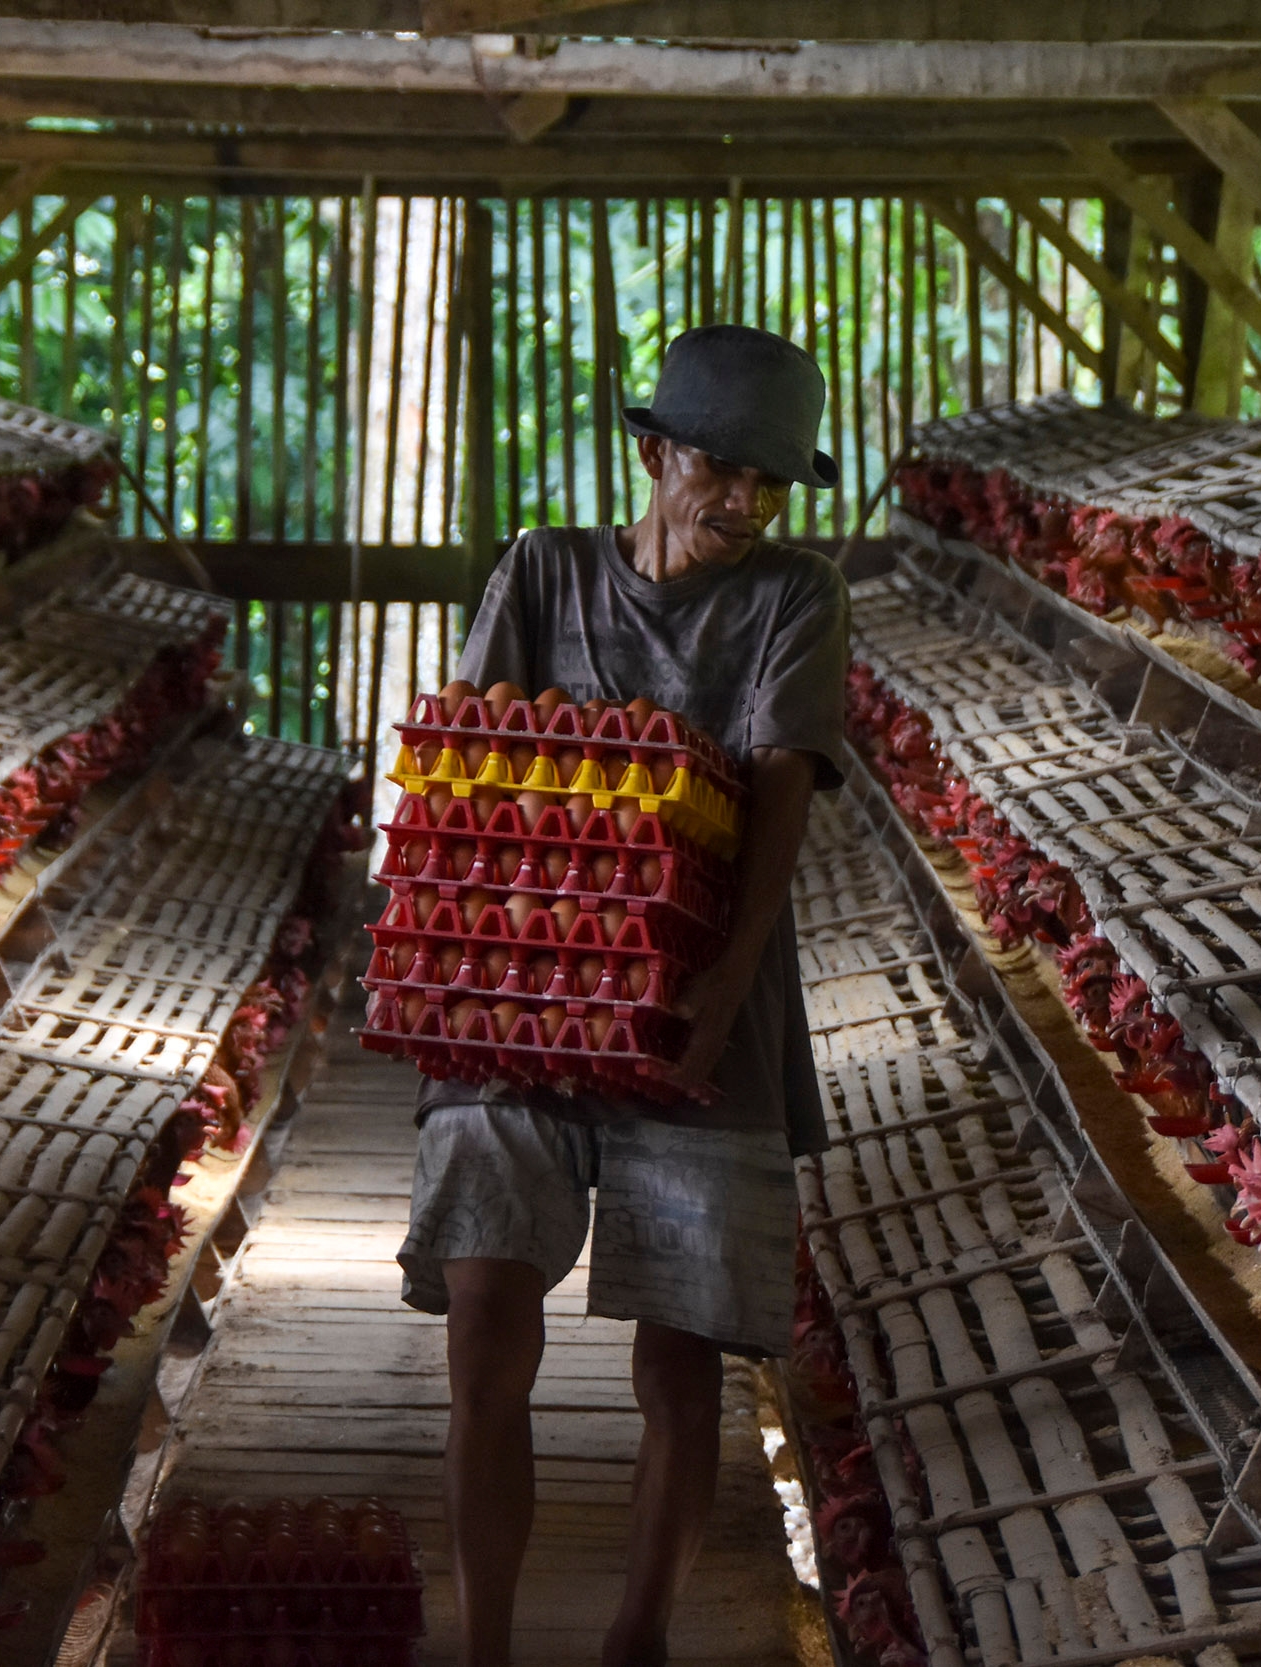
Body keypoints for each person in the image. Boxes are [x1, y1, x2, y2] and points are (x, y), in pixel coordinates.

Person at [392, 325, 850, 1667]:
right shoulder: (542, 570)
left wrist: (722, 981)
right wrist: (466, 947)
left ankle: (635, 1640)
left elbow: (776, 794)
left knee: (683, 1351)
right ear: (654, 454)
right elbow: (476, 752)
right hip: (520, 992)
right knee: (485, 1316)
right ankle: (484, 1646)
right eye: (722, 472)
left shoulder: (795, 596)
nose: (745, 506)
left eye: (769, 486)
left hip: (705, 999)